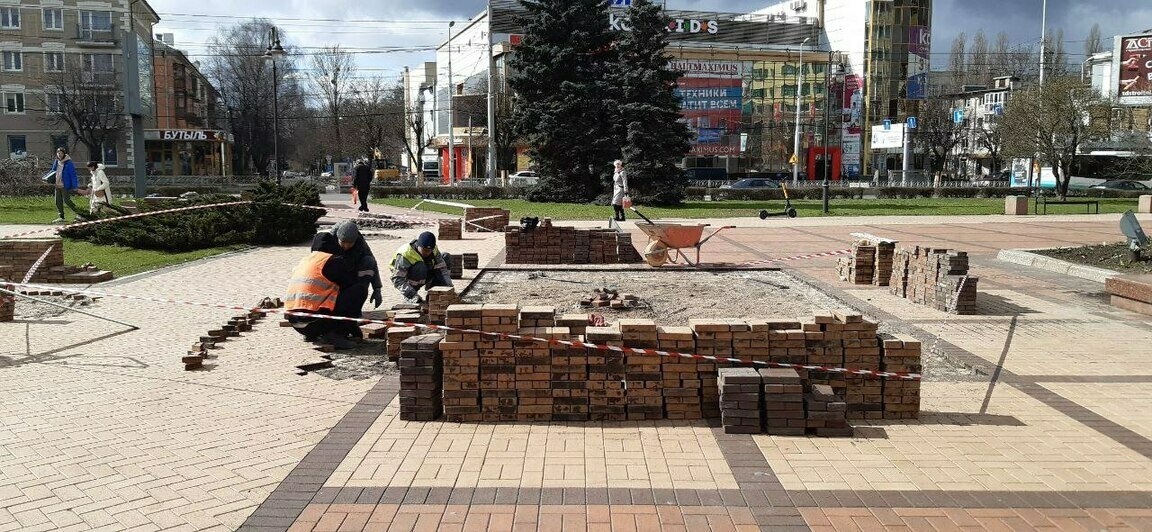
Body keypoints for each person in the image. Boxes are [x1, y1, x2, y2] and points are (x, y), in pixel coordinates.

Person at [284, 249, 371, 350]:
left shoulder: (306, 260)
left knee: (329, 293)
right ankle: (334, 334)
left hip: (296, 324)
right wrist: (353, 328)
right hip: (314, 323)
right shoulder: (333, 261)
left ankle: (312, 335)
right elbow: (350, 287)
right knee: (359, 290)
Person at [311, 221, 383, 317]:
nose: (346, 246)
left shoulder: (360, 242)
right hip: (331, 277)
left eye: (350, 243)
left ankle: (355, 310)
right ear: (337, 238)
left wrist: (377, 288)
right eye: (343, 243)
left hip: (350, 272)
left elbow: (372, 262)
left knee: (368, 261)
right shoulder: (326, 241)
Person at [390, 231, 454, 303]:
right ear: (418, 245)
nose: (427, 253)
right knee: (420, 266)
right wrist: (412, 295)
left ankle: (433, 293)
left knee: (445, 257)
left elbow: (442, 269)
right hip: (409, 277)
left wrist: (449, 288)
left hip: (425, 271)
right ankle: (411, 296)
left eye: (429, 250)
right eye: (425, 250)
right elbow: (397, 279)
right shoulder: (405, 254)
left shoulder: (433, 249)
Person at [50, 148, 83, 223]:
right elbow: (53, 171)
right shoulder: (56, 161)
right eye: (58, 153)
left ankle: (80, 214)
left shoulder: (68, 163)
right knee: (57, 201)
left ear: (64, 154)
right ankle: (61, 217)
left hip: (65, 185)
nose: (59, 154)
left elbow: (73, 175)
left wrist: (75, 186)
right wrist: (47, 178)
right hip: (57, 184)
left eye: (61, 153)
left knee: (67, 200)